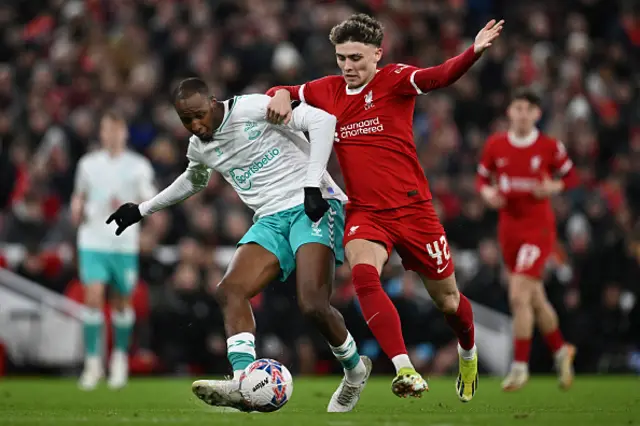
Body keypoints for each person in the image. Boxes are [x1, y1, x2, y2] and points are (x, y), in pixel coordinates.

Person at [265, 13, 503, 402]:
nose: (348, 66)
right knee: (363, 277)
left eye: (356, 58)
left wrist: (472, 52)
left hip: (414, 211)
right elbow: (286, 90)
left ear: (378, 54)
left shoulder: (394, 80)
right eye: (341, 57)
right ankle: (404, 368)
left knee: (448, 302)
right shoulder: (327, 90)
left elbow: (439, 76)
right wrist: (278, 91)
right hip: (366, 213)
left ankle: (468, 351)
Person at [107, 78, 371, 412]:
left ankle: (354, 371)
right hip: (269, 221)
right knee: (229, 290)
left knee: (313, 304)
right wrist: (142, 209)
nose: (195, 124)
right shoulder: (200, 145)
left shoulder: (251, 108)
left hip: (310, 206)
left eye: (199, 115)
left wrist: (311, 186)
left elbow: (323, 121)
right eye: (186, 120)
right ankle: (245, 383)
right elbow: (194, 179)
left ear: (214, 102)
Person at [476, 88, 577, 391]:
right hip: (509, 229)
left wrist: (553, 188)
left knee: (518, 294)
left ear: (537, 114)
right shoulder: (495, 145)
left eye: (527, 109)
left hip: (538, 229)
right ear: (510, 112)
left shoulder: (549, 147)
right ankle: (561, 351)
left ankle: (520, 367)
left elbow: (570, 178)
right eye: (517, 108)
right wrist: (487, 193)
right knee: (535, 298)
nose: (522, 114)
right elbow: (482, 177)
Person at [71, 110, 157, 390]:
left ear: (125, 133)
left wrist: (149, 225)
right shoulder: (87, 164)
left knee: (122, 302)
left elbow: (150, 200)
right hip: (93, 239)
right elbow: (79, 195)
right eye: (107, 129)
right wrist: (76, 207)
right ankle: (93, 363)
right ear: (101, 132)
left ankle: (119, 359)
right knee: (93, 296)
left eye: (117, 129)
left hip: (123, 243)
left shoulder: (139, 166)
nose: (112, 135)